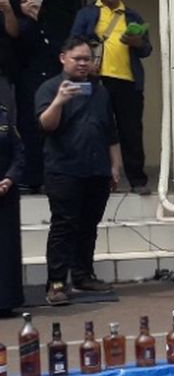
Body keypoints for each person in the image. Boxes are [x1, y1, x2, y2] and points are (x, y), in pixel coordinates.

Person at [36, 37, 123, 305]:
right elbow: (45, 125)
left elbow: (110, 130)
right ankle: (57, 283)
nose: (84, 63)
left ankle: (83, 275)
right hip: (64, 169)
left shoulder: (100, 90)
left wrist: (115, 165)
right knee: (63, 226)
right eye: (78, 58)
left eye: (88, 58)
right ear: (63, 58)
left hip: (97, 169)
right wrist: (60, 101)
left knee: (89, 226)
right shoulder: (50, 87)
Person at [70, 0, 153, 193]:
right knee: (95, 128)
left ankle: (138, 180)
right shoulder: (86, 14)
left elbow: (147, 50)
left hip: (128, 80)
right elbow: (73, 42)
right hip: (97, 79)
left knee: (131, 131)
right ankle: (99, 179)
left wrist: (137, 43)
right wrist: (88, 59)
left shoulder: (132, 15)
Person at [3, 0, 60, 193]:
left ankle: (50, 175)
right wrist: (31, 19)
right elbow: (23, 47)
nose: (29, 3)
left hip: (51, 83)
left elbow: (58, 52)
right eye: (24, 1)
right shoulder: (21, 26)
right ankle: (32, 177)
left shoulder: (49, 25)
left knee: (52, 130)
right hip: (28, 85)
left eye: (32, 0)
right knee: (29, 128)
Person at [0, 82, 23, 316]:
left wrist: (9, 178)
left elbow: (19, 152)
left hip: (5, 192)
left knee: (6, 251)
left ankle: (6, 301)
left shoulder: (4, 117)